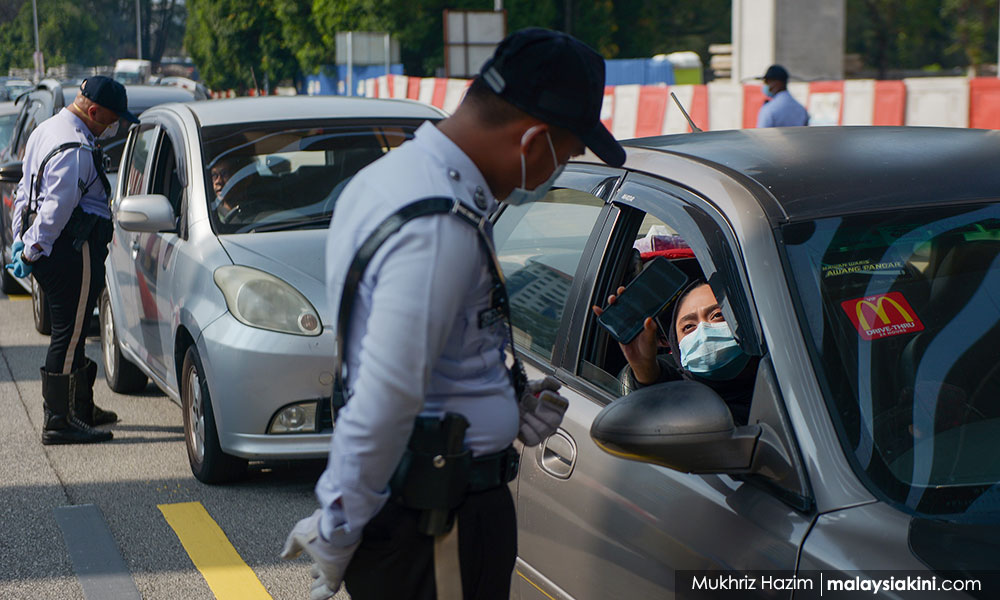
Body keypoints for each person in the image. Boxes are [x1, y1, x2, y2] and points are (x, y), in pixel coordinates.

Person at [281, 28, 625, 600]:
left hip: (431, 508)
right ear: (533, 140)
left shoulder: (396, 179)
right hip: (438, 525)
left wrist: (501, 401)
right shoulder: (437, 227)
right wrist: (337, 530)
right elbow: (386, 398)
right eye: (567, 154)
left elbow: (419, 357)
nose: (557, 170)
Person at [6, 76, 138, 444]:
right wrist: (33, 248)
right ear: (92, 110)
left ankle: (81, 407)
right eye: (111, 119)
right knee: (68, 334)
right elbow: (55, 210)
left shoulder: (46, 130)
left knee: (76, 329)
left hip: (53, 247)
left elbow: (23, 192)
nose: (113, 127)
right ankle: (58, 421)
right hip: (71, 248)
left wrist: (21, 239)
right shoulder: (75, 147)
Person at [593, 279, 758, 425]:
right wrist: (644, 366)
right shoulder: (679, 395)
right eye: (688, 327)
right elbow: (659, 399)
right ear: (675, 344)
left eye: (717, 316)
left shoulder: (780, 368)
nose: (703, 330)